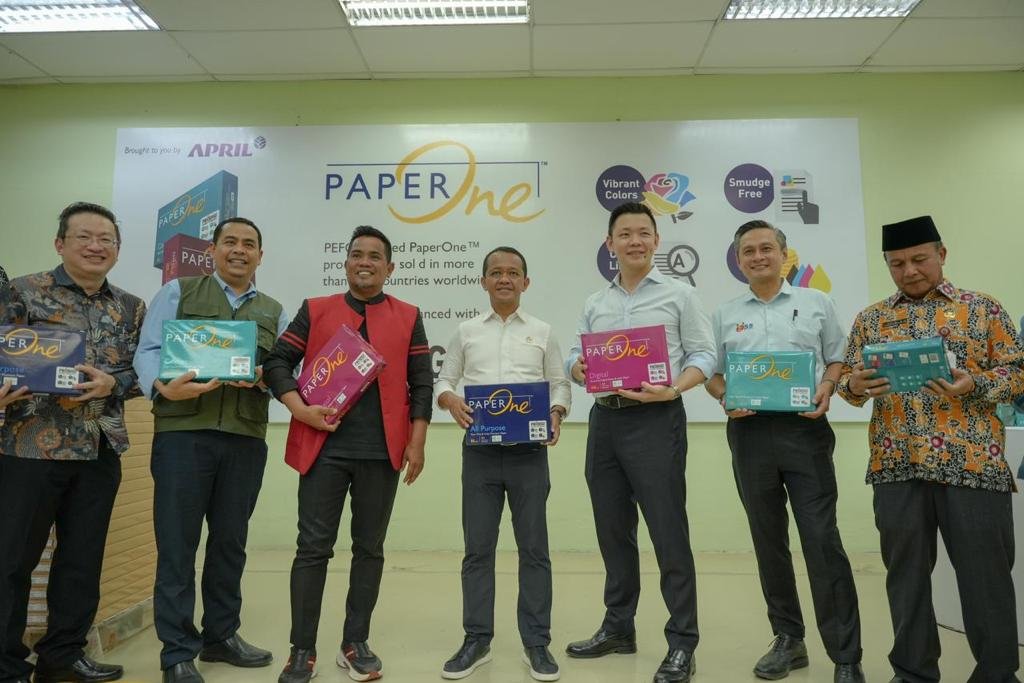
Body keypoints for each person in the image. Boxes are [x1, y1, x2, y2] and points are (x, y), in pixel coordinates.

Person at [838, 215, 1024, 683]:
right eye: (897, 263)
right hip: (897, 464)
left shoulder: (982, 309)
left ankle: (998, 674)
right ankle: (912, 673)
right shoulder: (871, 319)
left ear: (942, 254)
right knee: (907, 579)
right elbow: (847, 384)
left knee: (986, 578)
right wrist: (854, 385)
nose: (910, 271)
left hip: (973, 463)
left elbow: (1017, 373)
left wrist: (973, 383)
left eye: (919, 259)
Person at [265, 225, 432, 683]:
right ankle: (302, 649)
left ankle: (355, 642)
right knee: (312, 549)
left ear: (389, 267)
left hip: (382, 452)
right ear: (345, 263)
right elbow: (277, 362)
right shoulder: (315, 309)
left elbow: (422, 383)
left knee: (370, 549)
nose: (365, 262)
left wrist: (417, 441)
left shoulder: (409, 315)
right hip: (324, 450)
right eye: (357, 254)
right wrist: (300, 409)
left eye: (375, 256)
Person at [705, 220, 864, 683]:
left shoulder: (816, 303)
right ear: (739, 260)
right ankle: (789, 639)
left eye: (766, 248)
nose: (758, 257)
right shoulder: (725, 313)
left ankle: (846, 655)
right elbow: (712, 372)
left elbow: (837, 357)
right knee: (768, 540)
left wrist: (827, 387)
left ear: (784, 254)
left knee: (821, 540)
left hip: (805, 430)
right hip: (749, 434)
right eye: (748, 251)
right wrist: (725, 396)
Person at [564, 201, 715, 683]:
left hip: (656, 419)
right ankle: (618, 627)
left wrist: (675, 389)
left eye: (643, 233)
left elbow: (704, 354)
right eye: (624, 234)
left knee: (668, 531)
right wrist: (577, 368)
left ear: (656, 240)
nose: (634, 241)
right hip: (604, 422)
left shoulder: (680, 294)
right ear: (610, 243)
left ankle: (682, 642)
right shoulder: (596, 302)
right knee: (613, 530)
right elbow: (575, 354)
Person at [134, 217, 287, 683]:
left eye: (249, 244)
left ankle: (221, 636)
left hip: (245, 437)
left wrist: (268, 378)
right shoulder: (178, 292)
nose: (240, 250)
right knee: (177, 545)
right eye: (230, 242)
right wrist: (161, 387)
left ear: (261, 255)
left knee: (230, 543)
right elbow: (148, 350)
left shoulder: (274, 311)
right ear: (213, 250)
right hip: (183, 434)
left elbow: (286, 368)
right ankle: (177, 652)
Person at [0, 202, 145, 683]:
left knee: (82, 560)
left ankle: (63, 656)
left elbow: (142, 370)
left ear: (117, 249)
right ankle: (6, 664)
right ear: (60, 243)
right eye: (84, 236)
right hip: (28, 449)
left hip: (98, 448)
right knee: (13, 560)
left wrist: (114, 383)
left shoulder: (131, 306)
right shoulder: (21, 291)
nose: (96, 246)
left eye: (106, 239)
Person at [434, 246, 571, 682]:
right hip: (480, 453)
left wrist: (557, 411)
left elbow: (559, 383)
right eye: (496, 272)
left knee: (534, 549)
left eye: (513, 273)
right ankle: (477, 640)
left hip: (529, 455)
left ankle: (537, 643)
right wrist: (450, 400)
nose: (504, 279)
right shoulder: (466, 331)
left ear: (525, 282)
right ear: (484, 281)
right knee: (478, 549)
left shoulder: (543, 331)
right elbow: (445, 380)